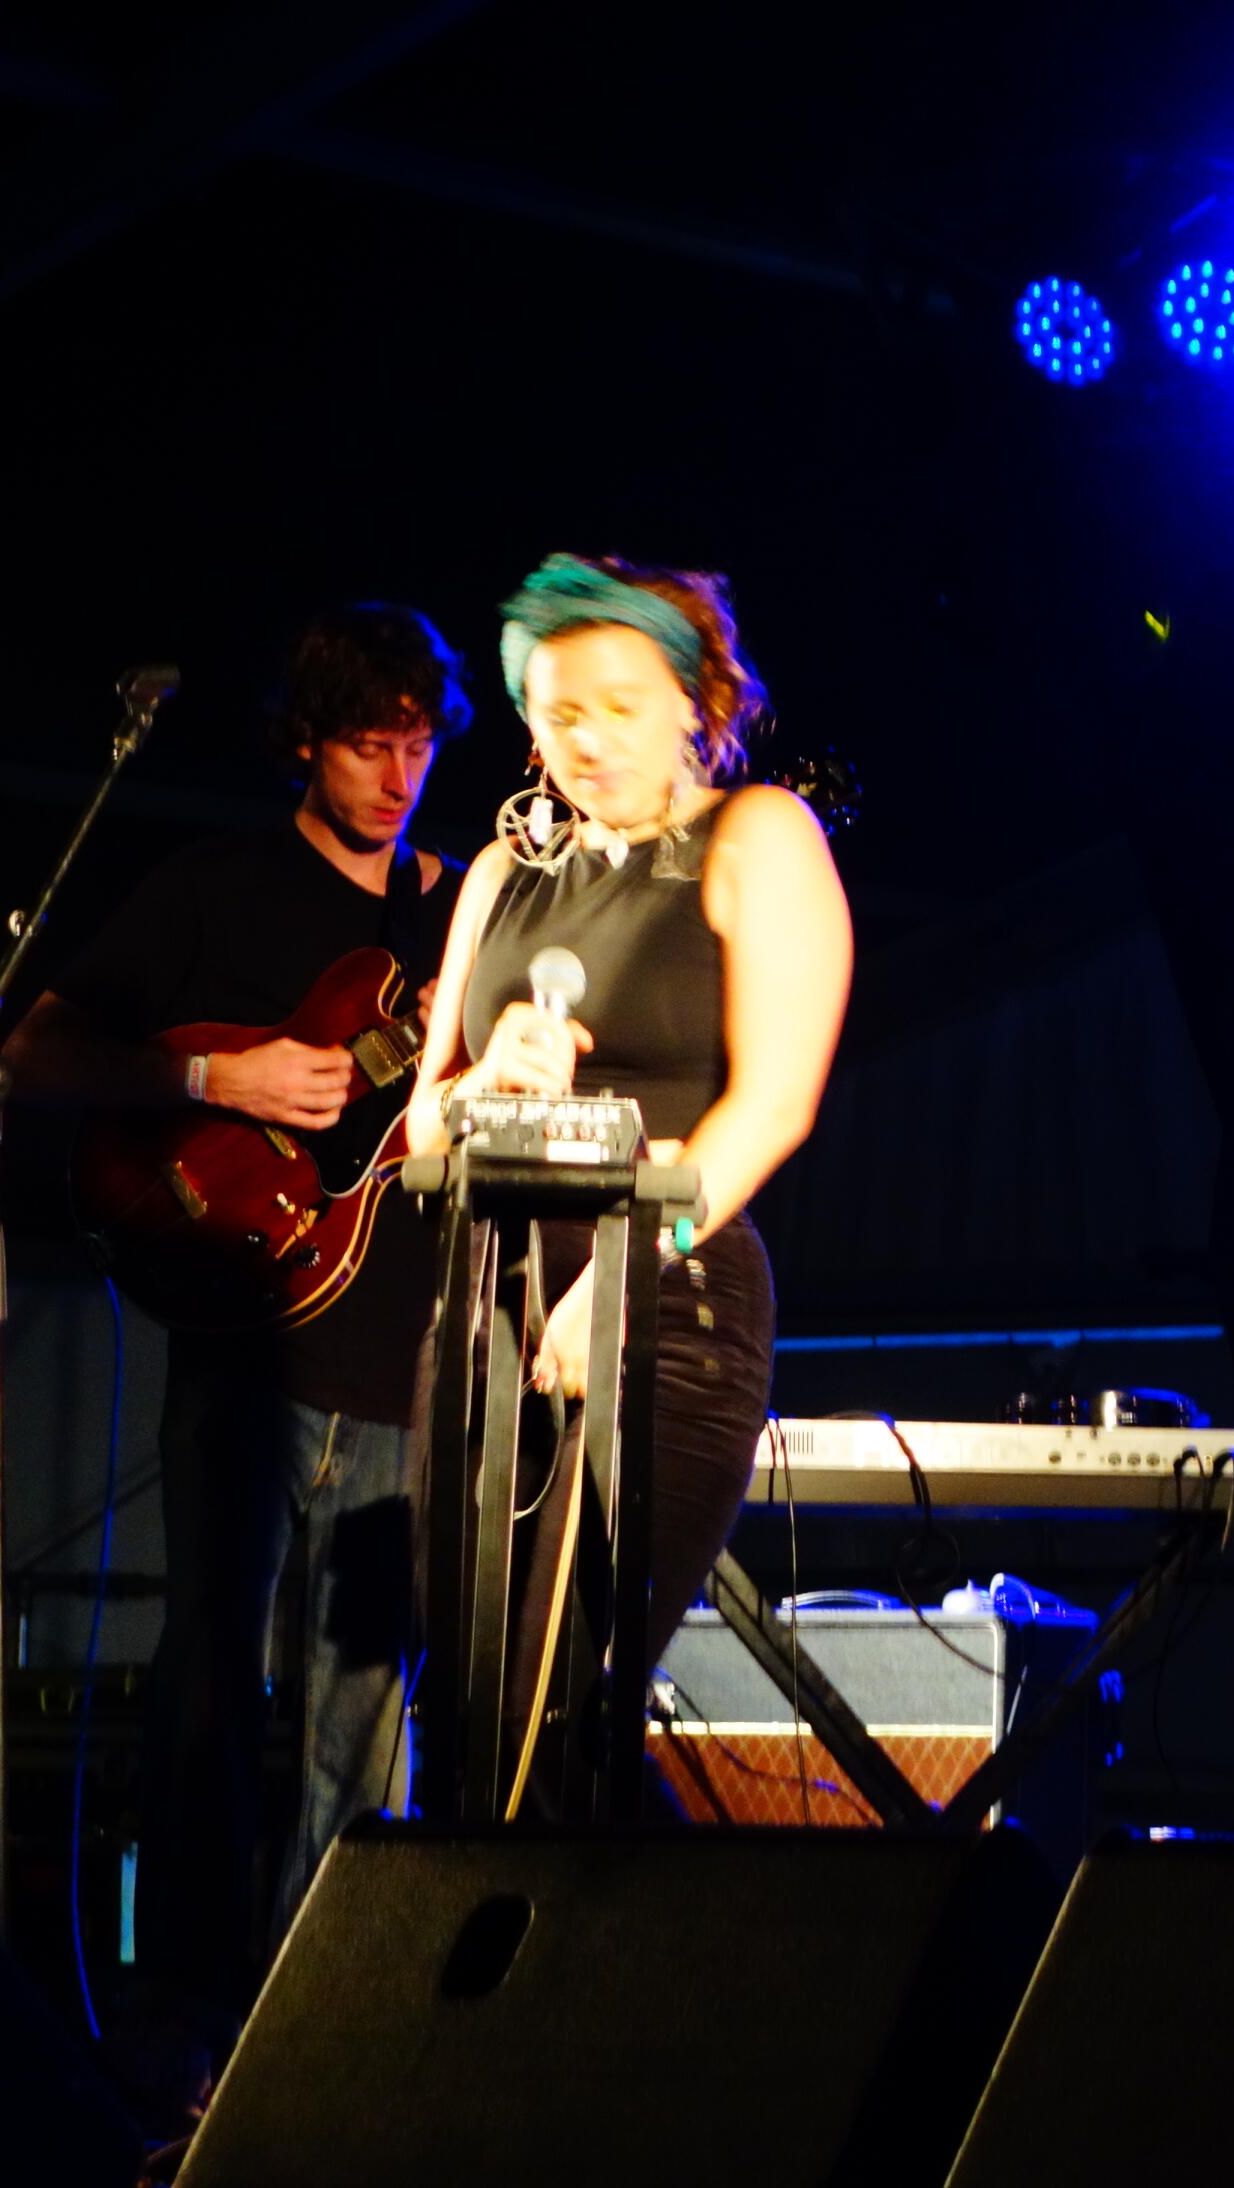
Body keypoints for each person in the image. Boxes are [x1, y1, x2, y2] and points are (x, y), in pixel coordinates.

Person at [2, 603, 472, 2119]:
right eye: (368, 742)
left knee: (363, 1711)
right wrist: (218, 1074)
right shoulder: (214, 888)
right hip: (242, 1351)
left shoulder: (460, 911)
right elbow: (33, 1051)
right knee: (207, 1681)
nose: (397, 773)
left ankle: (324, 2035)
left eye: (419, 742)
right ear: (305, 740)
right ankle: (180, 2029)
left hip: (396, 1352)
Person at [401, 552, 848, 1800]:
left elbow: (774, 1104)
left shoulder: (755, 836)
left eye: (617, 706)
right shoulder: (503, 876)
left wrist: (623, 1276)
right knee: (469, 1714)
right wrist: (485, 1087)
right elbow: (422, 1133)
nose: (584, 740)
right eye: (557, 713)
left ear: (694, 702)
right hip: (487, 1307)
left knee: (563, 1708)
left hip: (664, 1301)